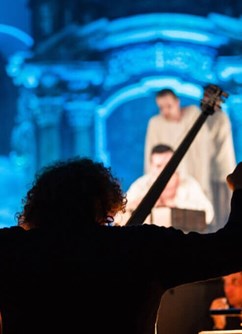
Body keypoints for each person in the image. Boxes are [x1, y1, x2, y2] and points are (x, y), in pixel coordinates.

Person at [0, 157, 242, 334]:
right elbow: (231, 248)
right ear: (106, 204)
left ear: (38, 205)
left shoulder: (11, 249)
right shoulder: (140, 247)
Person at [144, 88, 236, 230]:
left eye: (169, 106)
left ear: (177, 102)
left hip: (197, 178)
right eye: (161, 107)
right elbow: (150, 157)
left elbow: (206, 150)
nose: (165, 111)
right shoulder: (156, 123)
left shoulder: (193, 115)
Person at [119, 144, 214, 228]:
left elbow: (208, 214)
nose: (164, 171)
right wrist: (138, 204)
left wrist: (174, 205)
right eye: (159, 166)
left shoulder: (189, 184)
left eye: (168, 165)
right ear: (151, 166)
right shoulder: (141, 185)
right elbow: (117, 214)